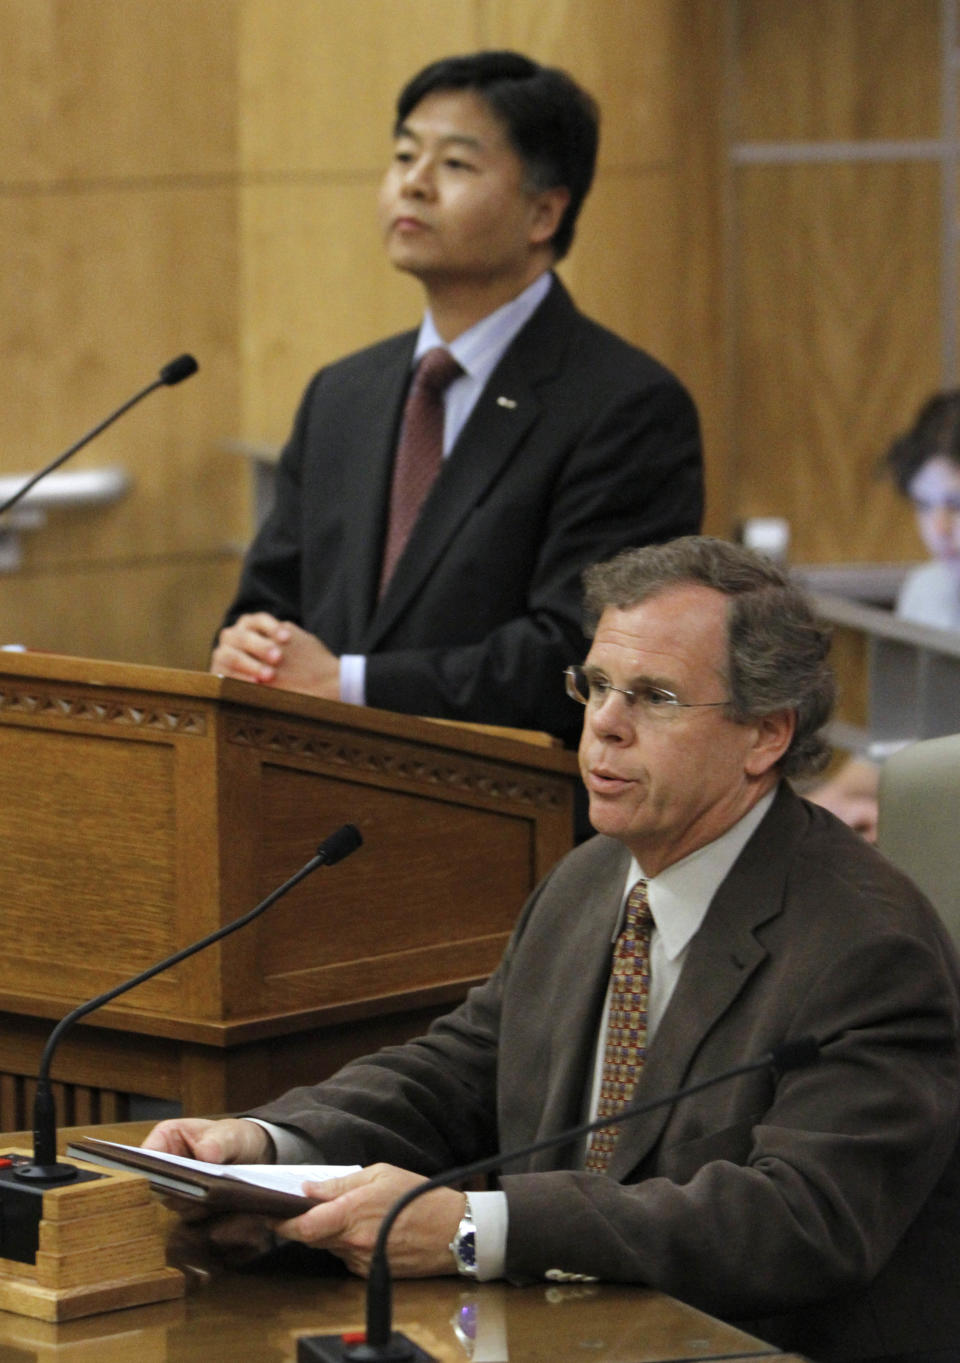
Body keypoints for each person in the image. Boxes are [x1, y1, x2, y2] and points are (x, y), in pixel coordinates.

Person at [147, 536, 960, 1363]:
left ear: (765, 735)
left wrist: (474, 1226)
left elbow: (802, 1220)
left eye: (654, 696)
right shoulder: (594, 875)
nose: (604, 723)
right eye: (597, 685)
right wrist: (263, 1144)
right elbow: (458, 1073)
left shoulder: (869, 946)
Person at [211, 50, 702, 749]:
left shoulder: (626, 405)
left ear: (543, 212)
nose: (413, 183)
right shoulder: (342, 395)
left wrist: (349, 684)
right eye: (404, 154)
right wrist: (246, 647)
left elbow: (585, 654)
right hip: (318, 804)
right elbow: (268, 598)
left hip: (511, 819)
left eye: (455, 165)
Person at [810, 390, 960, 838]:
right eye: (923, 505)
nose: (939, 530)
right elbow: (896, 742)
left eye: (956, 504)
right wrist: (824, 808)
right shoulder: (925, 589)